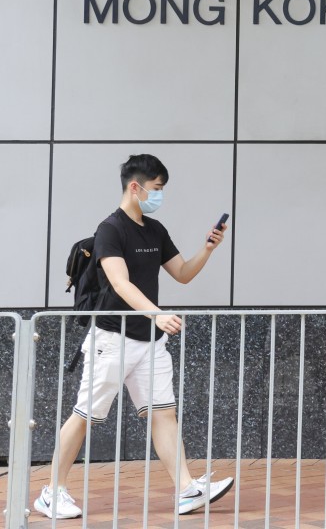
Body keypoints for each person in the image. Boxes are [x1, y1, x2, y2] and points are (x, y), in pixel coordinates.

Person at [35, 154, 234, 519]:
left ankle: (187, 490)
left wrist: (208, 248)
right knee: (85, 415)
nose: (160, 195)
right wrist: (158, 314)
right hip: (111, 339)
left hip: (151, 342)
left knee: (164, 414)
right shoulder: (111, 229)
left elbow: (183, 273)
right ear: (135, 187)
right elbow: (119, 282)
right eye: (157, 188)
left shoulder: (155, 230)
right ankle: (51, 492)